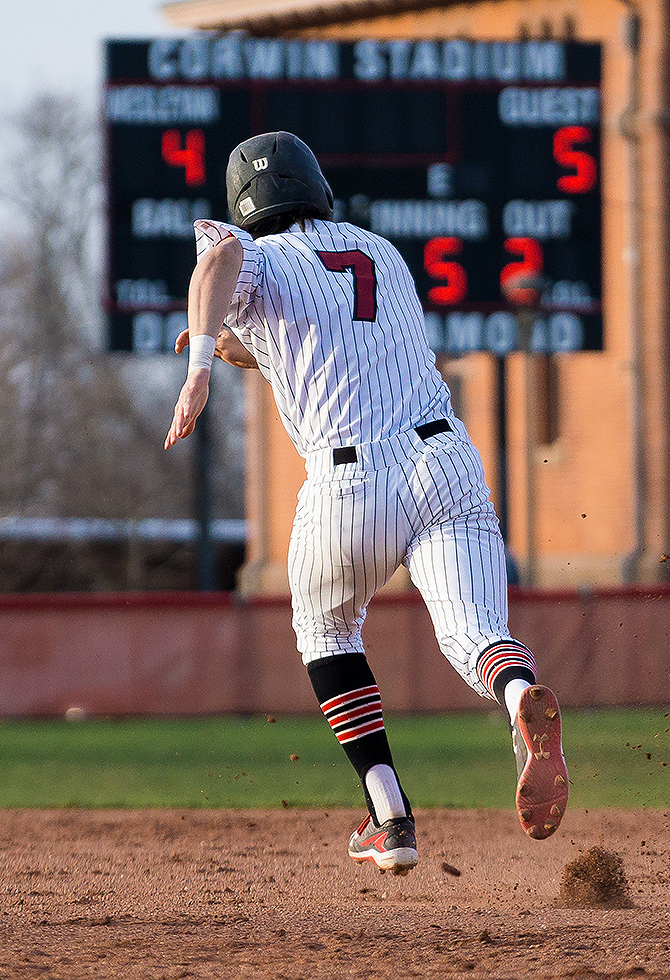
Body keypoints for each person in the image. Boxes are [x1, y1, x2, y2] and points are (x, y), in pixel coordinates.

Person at [164, 131, 568, 875]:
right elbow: (318, 336)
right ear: (314, 184)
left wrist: (198, 367)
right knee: (475, 634)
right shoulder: (379, 251)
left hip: (350, 479)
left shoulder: (254, 252)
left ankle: (390, 817)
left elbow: (220, 258)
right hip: (445, 460)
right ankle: (519, 700)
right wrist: (233, 344)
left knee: (324, 631)